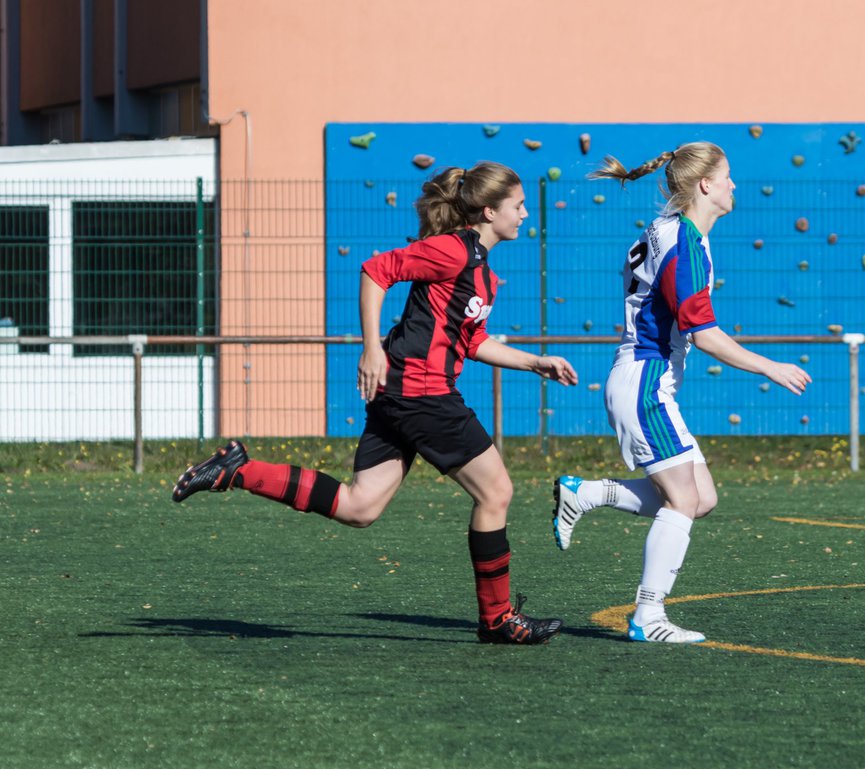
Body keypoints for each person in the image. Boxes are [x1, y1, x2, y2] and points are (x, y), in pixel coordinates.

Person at [174, 161, 577, 645]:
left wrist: (536, 362)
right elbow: (376, 271)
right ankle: (497, 620)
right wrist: (370, 347)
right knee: (496, 493)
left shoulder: (482, 274)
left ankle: (237, 469)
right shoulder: (451, 251)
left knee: (359, 507)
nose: (525, 215)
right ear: (490, 211)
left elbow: (471, 342)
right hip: (422, 395)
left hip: (401, 397)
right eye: (518, 206)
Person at [553, 143, 811, 643]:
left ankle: (587, 493)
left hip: (646, 379)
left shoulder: (668, 232)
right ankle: (648, 616)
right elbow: (702, 332)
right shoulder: (685, 242)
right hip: (645, 381)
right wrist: (769, 367)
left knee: (702, 499)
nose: (735, 185)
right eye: (729, 176)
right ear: (706, 185)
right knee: (684, 498)